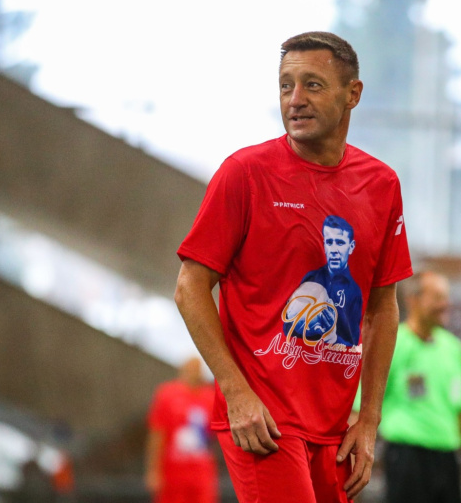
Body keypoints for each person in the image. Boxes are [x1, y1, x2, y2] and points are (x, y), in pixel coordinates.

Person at [174, 31, 413, 503]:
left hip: (335, 427)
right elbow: (189, 288)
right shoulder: (244, 173)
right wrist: (235, 391)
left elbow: (383, 308)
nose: (295, 99)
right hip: (263, 421)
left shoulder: (382, 185)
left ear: (353, 93)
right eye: (286, 86)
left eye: (312, 85)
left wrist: (369, 419)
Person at [354, 271, 461, 503]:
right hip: (407, 459)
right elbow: (360, 407)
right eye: (437, 297)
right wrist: (353, 466)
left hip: (447, 460)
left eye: (446, 297)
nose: (445, 304)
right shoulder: (392, 344)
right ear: (413, 300)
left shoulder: (453, 348)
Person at [282, 215, 362, 346]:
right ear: (324, 245)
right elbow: (287, 328)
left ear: (351, 246)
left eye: (340, 243)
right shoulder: (310, 278)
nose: (334, 250)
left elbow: (353, 346)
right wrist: (299, 321)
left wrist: (333, 338)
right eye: (329, 242)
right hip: (298, 355)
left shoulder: (354, 292)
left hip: (334, 358)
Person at [145, 356, 217, 503]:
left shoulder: (210, 396)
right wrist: (153, 470)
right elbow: (157, 433)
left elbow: (215, 433)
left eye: (198, 369)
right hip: (172, 471)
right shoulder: (167, 394)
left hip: (202, 472)